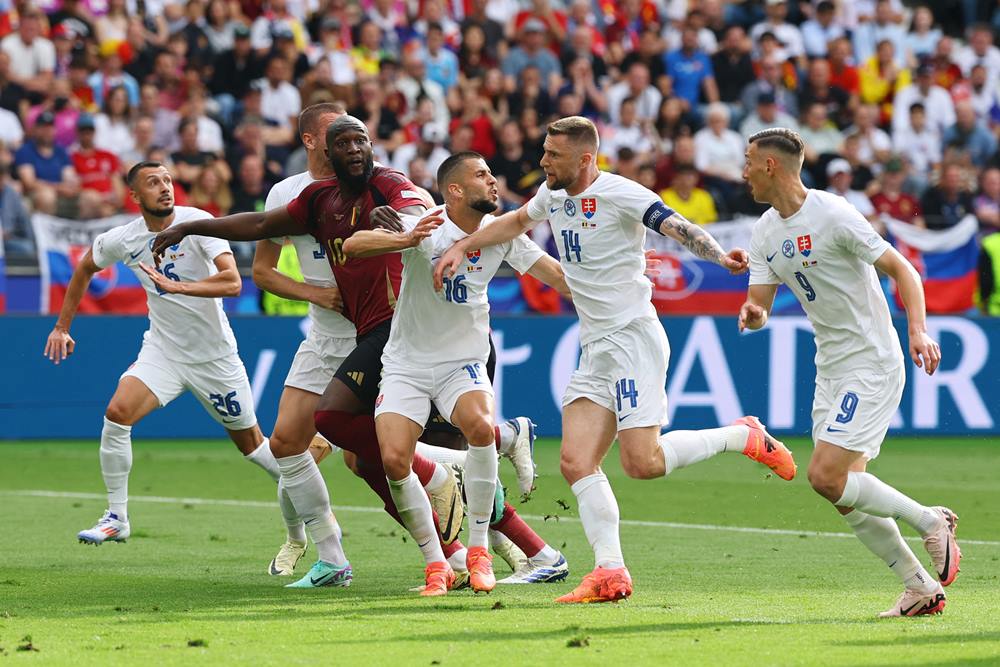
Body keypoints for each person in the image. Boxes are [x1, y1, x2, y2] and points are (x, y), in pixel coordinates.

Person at [150, 116, 536, 591]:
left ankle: (511, 543)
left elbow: (415, 206)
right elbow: (260, 229)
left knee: (383, 443)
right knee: (304, 445)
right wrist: (192, 227)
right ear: (322, 151)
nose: (354, 147)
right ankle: (349, 555)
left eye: (361, 139)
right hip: (335, 334)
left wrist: (405, 226)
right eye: (343, 141)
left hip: (401, 332)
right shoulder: (311, 197)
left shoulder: (390, 185)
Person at [434, 116, 797, 604]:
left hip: (632, 339)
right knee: (575, 461)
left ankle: (741, 435)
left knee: (641, 463)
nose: (543, 161)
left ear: (585, 159)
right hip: (595, 344)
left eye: (553, 155)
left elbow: (678, 227)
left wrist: (722, 260)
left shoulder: (623, 193)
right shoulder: (553, 194)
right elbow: (517, 222)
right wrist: (462, 243)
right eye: (543, 151)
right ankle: (610, 572)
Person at [42, 162, 328, 569]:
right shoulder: (125, 238)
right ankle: (117, 516)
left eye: (167, 181)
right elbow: (86, 266)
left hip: (215, 359)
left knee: (257, 450)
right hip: (163, 351)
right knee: (117, 413)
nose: (164, 188)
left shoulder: (199, 224)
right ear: (135, 197)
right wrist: (62, 326)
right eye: (153, 183)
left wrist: (180, 287)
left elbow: (232, 282)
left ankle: (306, 526)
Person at [738, 127, 961, 618]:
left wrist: (918, 331)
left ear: (771, 166)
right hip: (831, 366)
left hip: (872, 360)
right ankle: (919, 586)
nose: (743, 170)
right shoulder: (764, 231)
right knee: (844, 493)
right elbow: (760, 305)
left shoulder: (833, 213)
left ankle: (931, 521)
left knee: (824, 476)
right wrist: (755, 315)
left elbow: (904, 269)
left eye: (749, 160)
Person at [342, 152, 571, 595]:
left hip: (461, 363)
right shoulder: (426, 225)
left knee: (480, 428)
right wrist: (407, 241)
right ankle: (437, 564)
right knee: (393, 459)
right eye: (482, 175)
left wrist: (616, 282)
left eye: (490, 173)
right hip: (406, 363)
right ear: (455, 191)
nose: (493, 181)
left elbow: (558, 278)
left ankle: (480, 550)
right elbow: (353, 247)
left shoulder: (500, 233)